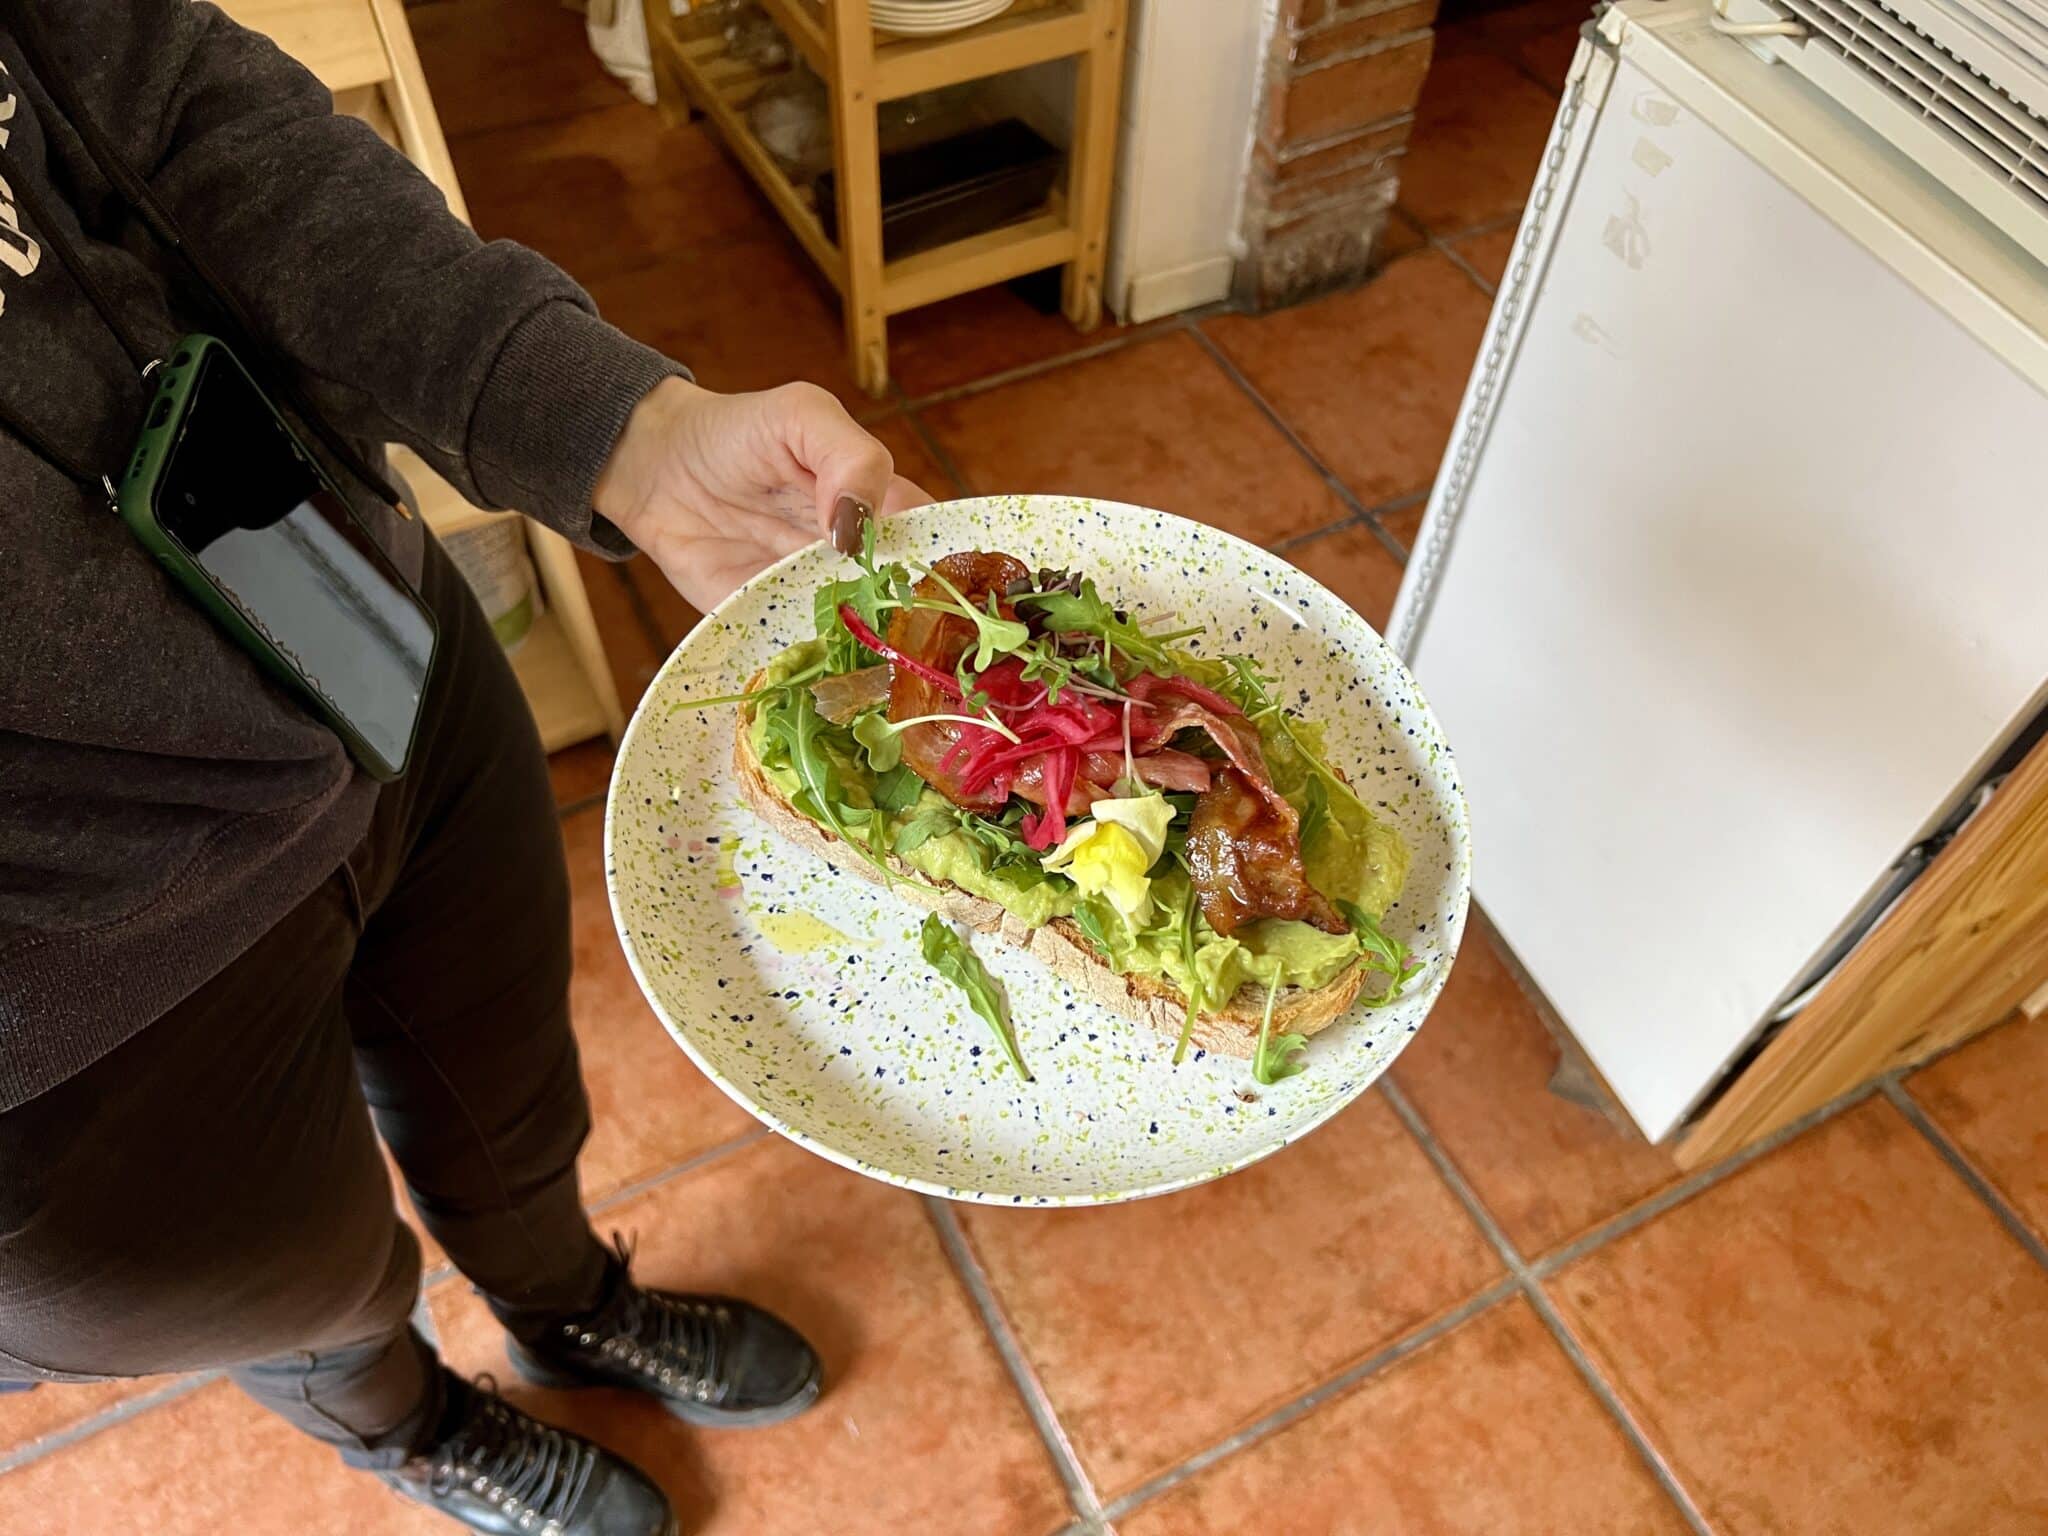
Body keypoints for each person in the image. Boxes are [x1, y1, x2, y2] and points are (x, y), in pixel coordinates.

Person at [0, 2, 929, 1532]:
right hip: (66, 1015)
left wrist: (612, 427)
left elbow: (168, 106)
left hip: (346, 619)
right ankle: (416, 1430)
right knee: (316, 1293)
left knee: (511, 1110)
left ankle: (566, 1311)